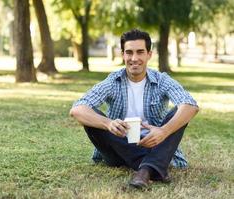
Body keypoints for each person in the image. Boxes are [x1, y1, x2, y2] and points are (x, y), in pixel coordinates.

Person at [69, 29, 199, 189]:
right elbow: (77, 109)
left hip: (154, 144)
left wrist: (163, 131)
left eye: (140, 52)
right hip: (118, 149)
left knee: (179, 114)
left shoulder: (162, 80)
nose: (134, 58)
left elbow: (191, 106)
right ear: (123, 54)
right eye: (129, 52)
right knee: (91, 116)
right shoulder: (112, 81)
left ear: (149, 54)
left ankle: (145, 169)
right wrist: (108, 123)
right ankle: (153, 165)